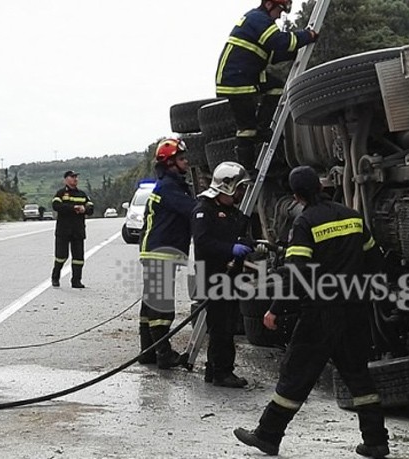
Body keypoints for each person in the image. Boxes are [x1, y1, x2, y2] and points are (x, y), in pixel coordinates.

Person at [234, 166, 390, 457]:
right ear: (320, 186)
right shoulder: (353, 217)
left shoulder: (305, 223)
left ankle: (268, 435)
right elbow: (376, 262)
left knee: (296, 374)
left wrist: (275, 309)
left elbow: (296, 273)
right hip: (354, 310)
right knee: (358, 376)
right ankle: (376, 441)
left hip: (320, 313)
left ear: (296, 195)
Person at [215, 0, 318, 172]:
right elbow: (279, 42)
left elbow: (272, 54)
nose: (280, 16)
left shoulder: (257, 21)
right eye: (280, 10)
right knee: (247, 128)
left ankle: (263, 128)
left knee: (277, 87)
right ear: (269, 4)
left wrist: (295, 52)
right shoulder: (259, 19)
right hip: (236, 80)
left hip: (246, 74)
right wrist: (307, 36)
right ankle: (247, 170)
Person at [191, 161, 254, 388]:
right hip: (213, 276)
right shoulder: (203, 211)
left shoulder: (231, 212)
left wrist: (245, 243)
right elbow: (203, 242)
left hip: (230, 277)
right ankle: (221, 372)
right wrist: (230, 249)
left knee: (227, 323)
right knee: (221, 327)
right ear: (226, 187)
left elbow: (236, 234)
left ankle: (215, 369)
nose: (240, 194)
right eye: (238, 189)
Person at [138, 138, 197, 369]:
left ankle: (148, 351)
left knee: (150, 305)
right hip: (161, 252)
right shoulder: (170, 188)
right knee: (161, 307)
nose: (186, 162)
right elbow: (191, 210)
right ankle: (164, 355)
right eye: (181, 159)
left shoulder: (170, 185)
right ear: (170, 163)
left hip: (157, 251)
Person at [51, 170, 94, 288]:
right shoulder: (60, 193)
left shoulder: (82, 194)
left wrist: (84, 209)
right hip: (63, 230)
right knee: (61, 256)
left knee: (78, 257)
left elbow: (91, 207)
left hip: (78, 230)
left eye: (76, 177)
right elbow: (56, 206)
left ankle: (76, 281)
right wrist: (73, 208)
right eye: (72, 177)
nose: (75, 179)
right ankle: (55, 277)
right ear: (66, 180)